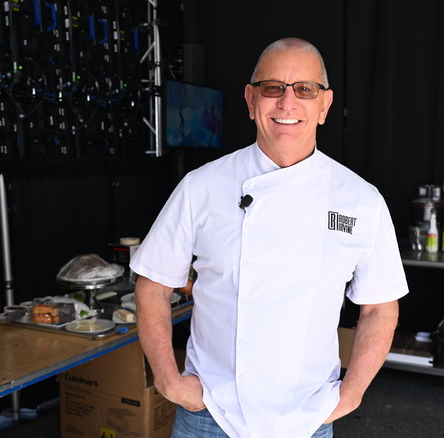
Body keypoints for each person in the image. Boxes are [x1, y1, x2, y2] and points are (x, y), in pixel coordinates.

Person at [130, 37, 408, 438]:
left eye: (304, 90)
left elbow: (381, 308)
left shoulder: (361, 200)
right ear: (250, 99)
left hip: (307, 415)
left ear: (325, 105)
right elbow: (153, 284)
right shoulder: (201, 187)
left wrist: (351, 394)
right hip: (211, 412)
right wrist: (168, 380)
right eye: (272, 88)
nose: (287, 103)